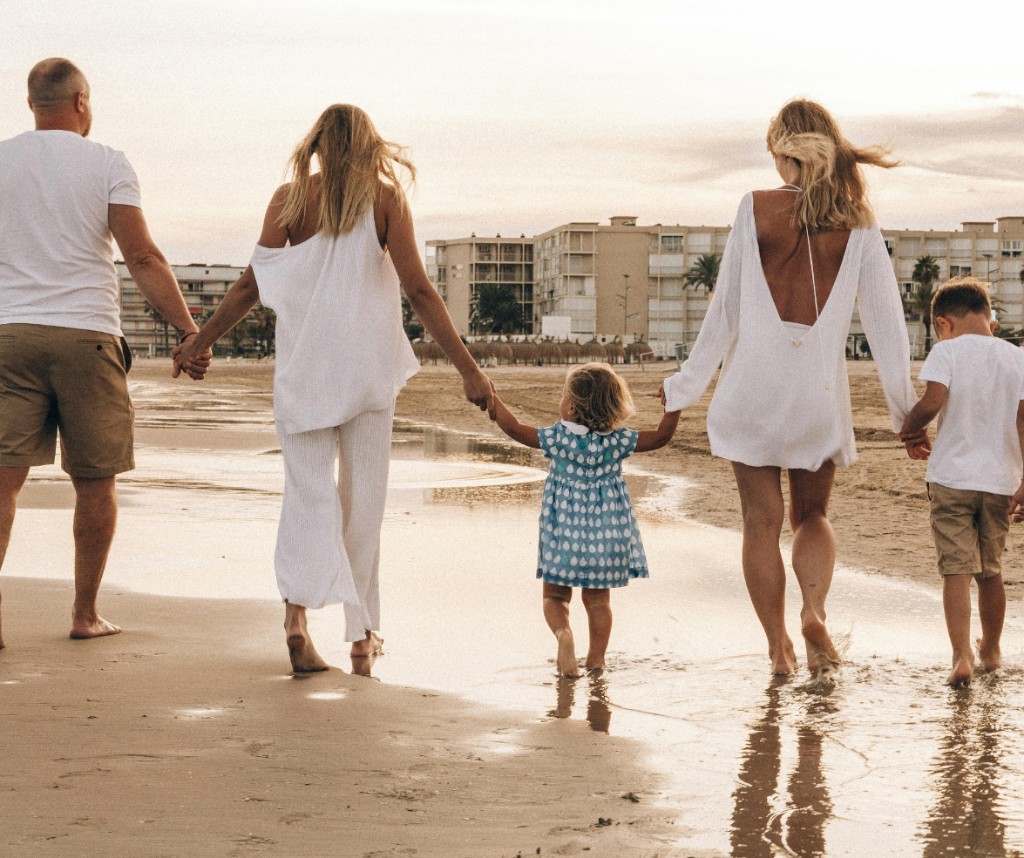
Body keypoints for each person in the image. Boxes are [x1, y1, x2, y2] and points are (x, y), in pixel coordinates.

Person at [173, 104, 491, 672]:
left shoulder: (289, 200)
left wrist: (200, 340)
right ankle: (363, 636)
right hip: (367, 373)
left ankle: (296, 618)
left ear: (317, 145)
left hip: (304, 372)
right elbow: (419, 290)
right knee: (363, 503)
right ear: (370, 146)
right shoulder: (386, 197)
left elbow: (250, 286)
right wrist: (469, 369)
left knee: (307, 496)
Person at [659, 99, 917, 675]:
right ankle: (814, 610)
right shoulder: (859, 222)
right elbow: (886, 324)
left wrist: (683, 389)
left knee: (760, 522)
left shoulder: (754, 208)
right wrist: (906, 414)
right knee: (812, 516)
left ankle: (778, 650)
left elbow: (723, 313)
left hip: (750, 389)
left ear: (783, 154)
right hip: (817, 398)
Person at [0, 58, 210, 648]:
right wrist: (189, 333)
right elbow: (141, 256)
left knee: (2, 478)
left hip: (9, 333)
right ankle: (84, 613)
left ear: (32, 105)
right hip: (86, 336)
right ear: (82, 102)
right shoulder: (107, 162)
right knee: (95, 480)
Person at [487, 363, 680, 677]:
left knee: (555, 595)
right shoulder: (617, 441)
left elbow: (515, 429)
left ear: (573, 408)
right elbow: (660, 437)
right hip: (606, 534)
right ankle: (597, 660)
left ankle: (564, 635)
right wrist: (675, 404)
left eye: (563, 396)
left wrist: (493, 399)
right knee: (599, 601)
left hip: (563, 531)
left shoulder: (559, 438)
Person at [898, 278, 1024, 686]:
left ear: (942, 323)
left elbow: (932, 401)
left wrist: (910, 431)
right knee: (990, 570)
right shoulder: (1016, 357)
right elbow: (1023, 422)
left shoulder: (946, 351)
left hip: (951, 477)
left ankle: (960, 657)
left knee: (956, 571)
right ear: (991, 319)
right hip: (1000, 479)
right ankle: (991, 650)